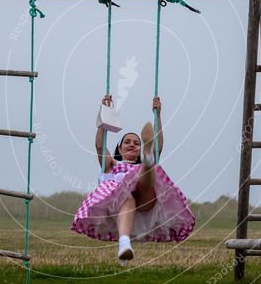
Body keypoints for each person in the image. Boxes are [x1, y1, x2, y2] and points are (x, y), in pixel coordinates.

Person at [70, 94, 195, 264]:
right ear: (119, 148)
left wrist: (157, 115)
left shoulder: (137, 166)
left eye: (136, 143)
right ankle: (124, 244)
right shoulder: (112, 164)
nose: (131, 144)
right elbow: (99, 146)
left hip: (145, 201)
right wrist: (103, 115)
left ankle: (149, 160)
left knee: (146, 173)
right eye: (127, 142)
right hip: (120, 205)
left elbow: (159, 147)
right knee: (127, 195)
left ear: (139, 149)